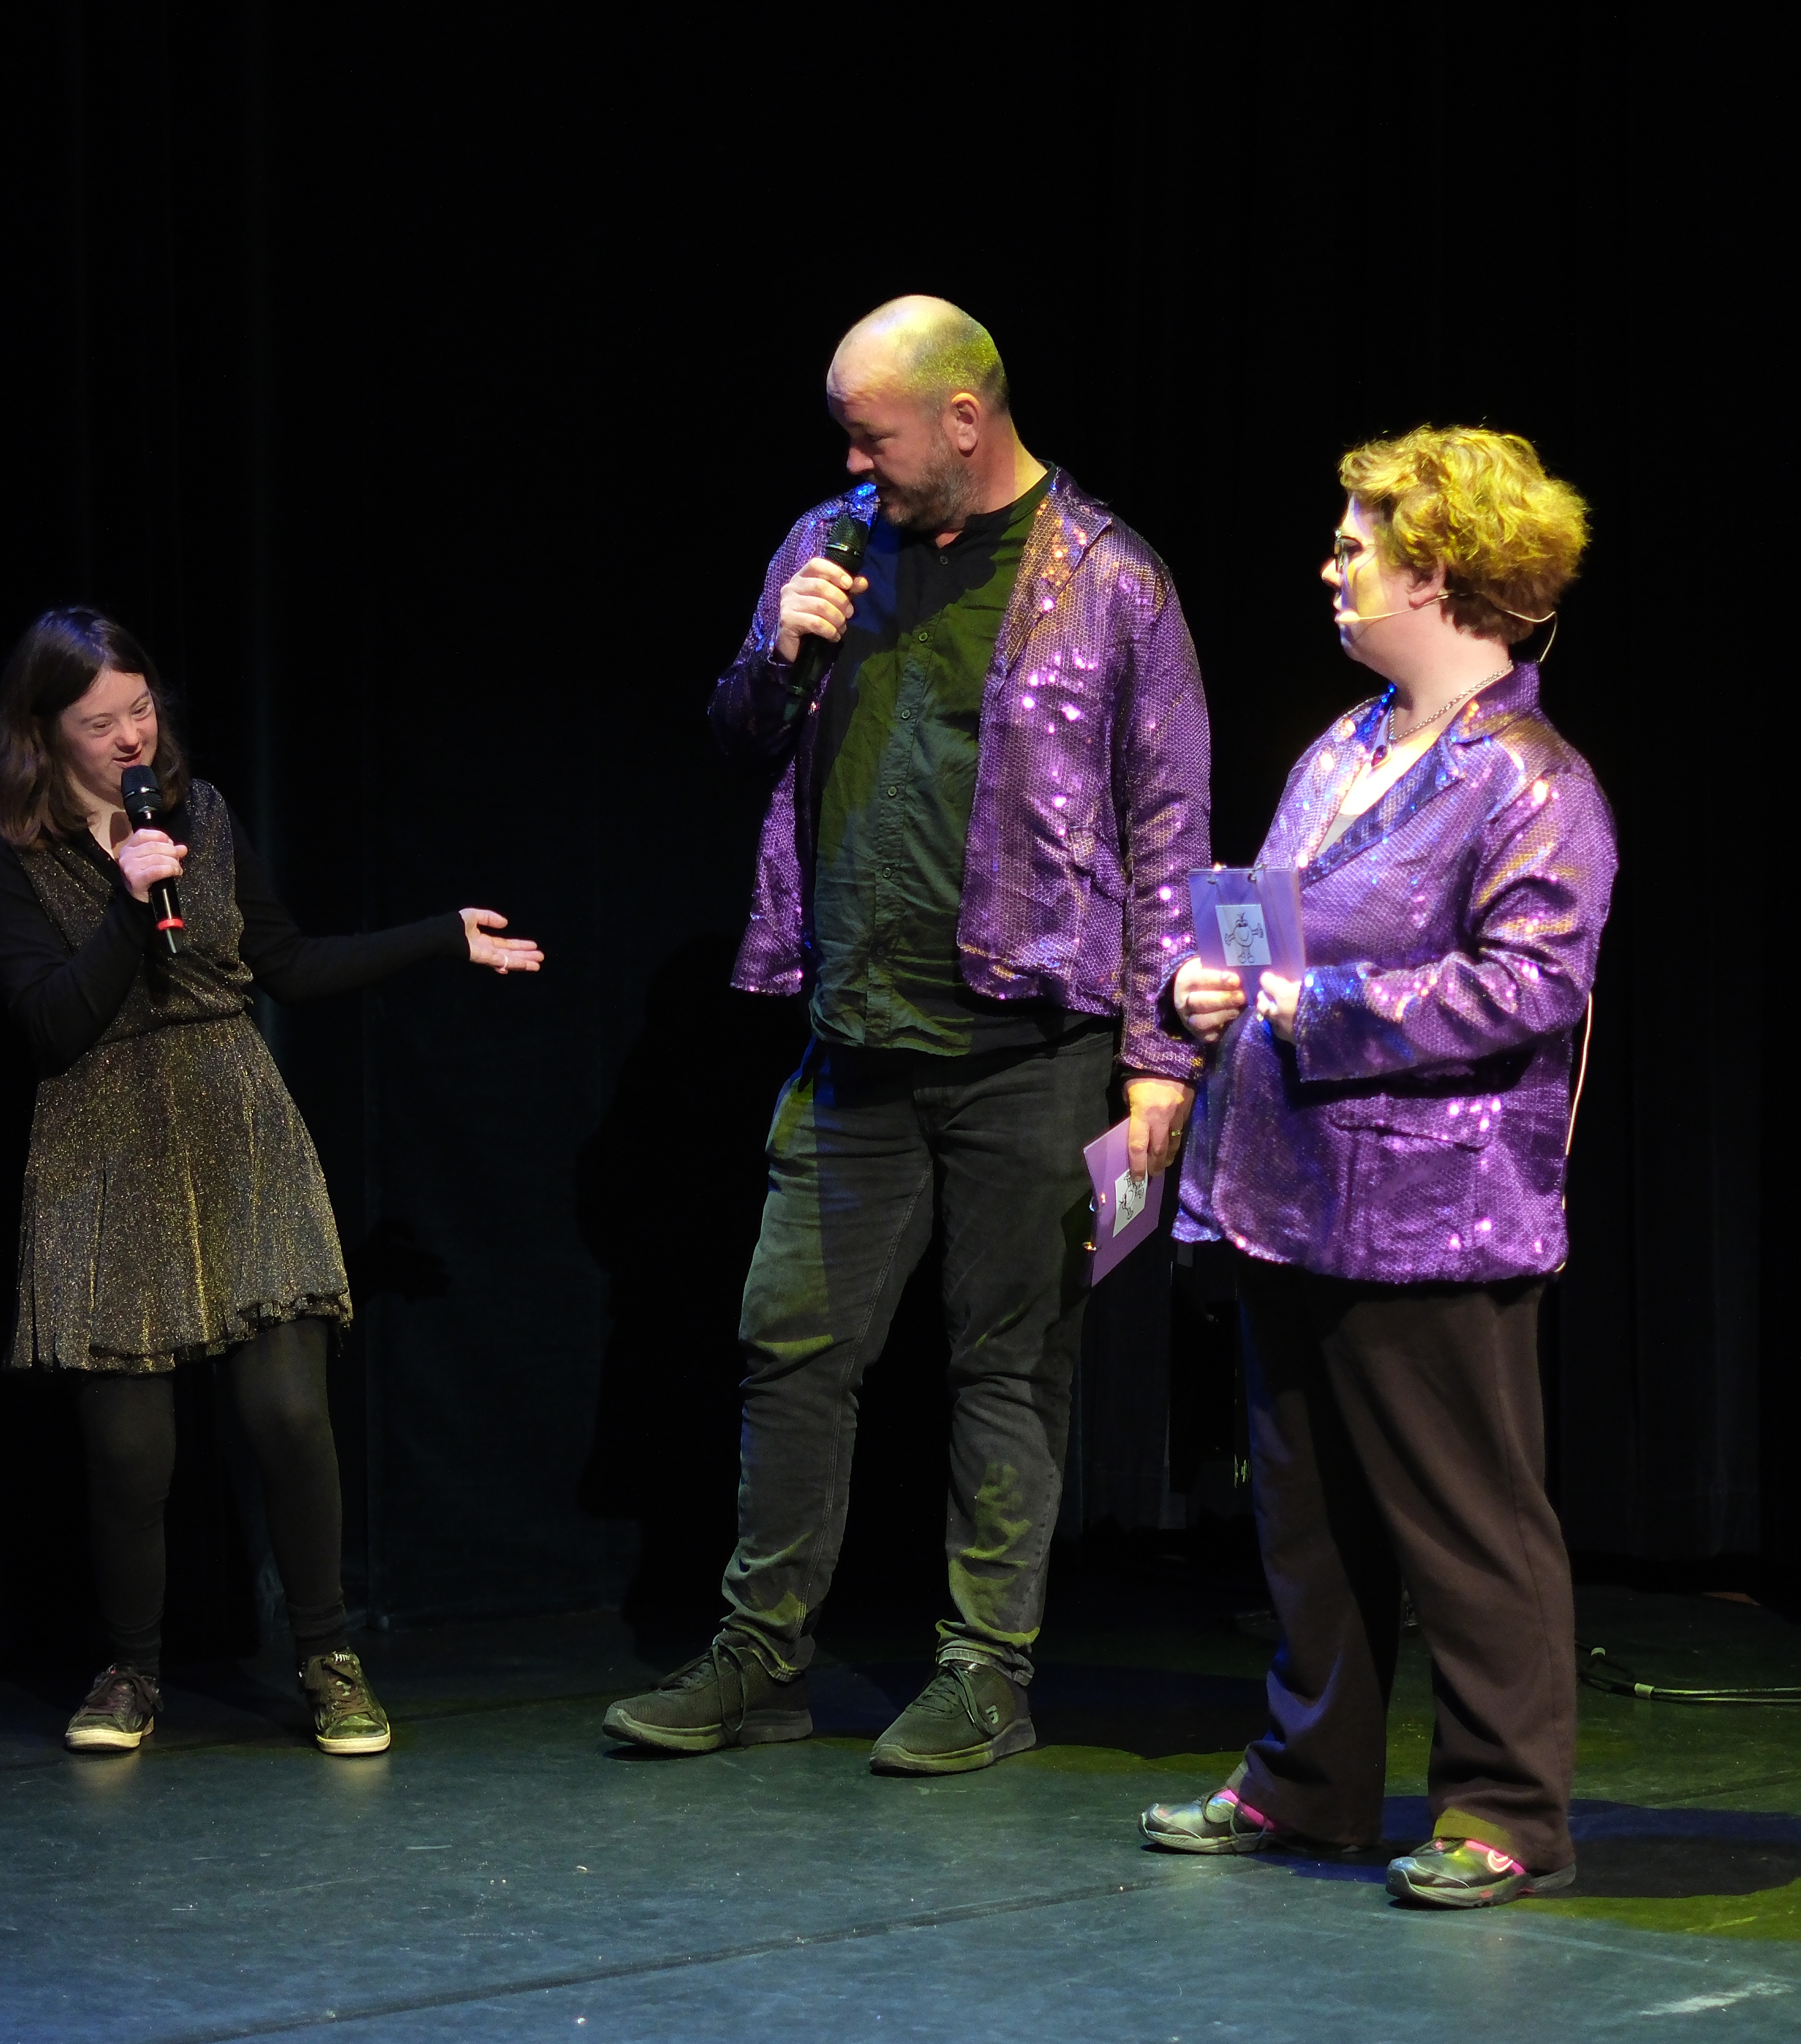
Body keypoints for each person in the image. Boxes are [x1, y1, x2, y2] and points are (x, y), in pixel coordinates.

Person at [602, 296, 1212, 1773]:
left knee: (1011, 1365)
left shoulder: (1112, 581)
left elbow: (1172, 828)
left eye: (872, 435)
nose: (853, 463)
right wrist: (778, 657)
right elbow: (737, 734)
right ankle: (762, 1654)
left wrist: (1160, 1063)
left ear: (965, 418)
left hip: (1034, 1048)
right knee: (789, 1351)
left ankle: (987, 1672)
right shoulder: (827, 544)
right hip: (854, 1041)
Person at [1138, 426, 1607, 1907]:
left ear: (1440, 571)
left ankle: (1507, 1808)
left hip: (1431, 1214)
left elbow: (1532, 987)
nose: (1332, 565)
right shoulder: (1343, 747)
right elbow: (1265, 928)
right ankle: (1309, 1784)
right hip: (1287, 1192)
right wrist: (1207, 985)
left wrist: (1309, 1005)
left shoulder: (1534, 782)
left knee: (1468, 1528)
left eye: (1357, 544)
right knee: (1308, 1521)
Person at [0, 607, 541, 1757]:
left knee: (287, 1411)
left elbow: (282, 963)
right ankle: (132, 1671)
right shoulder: (6, 851)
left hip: (237, 1122)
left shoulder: (204, 814)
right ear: (45, 731)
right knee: (133, 1454)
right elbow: (52, 1026)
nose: (132, 737)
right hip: (100, 1142)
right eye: (101, 722)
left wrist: (440, 937)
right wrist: (128, 905)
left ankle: (328, 1657)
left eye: (141, 709)